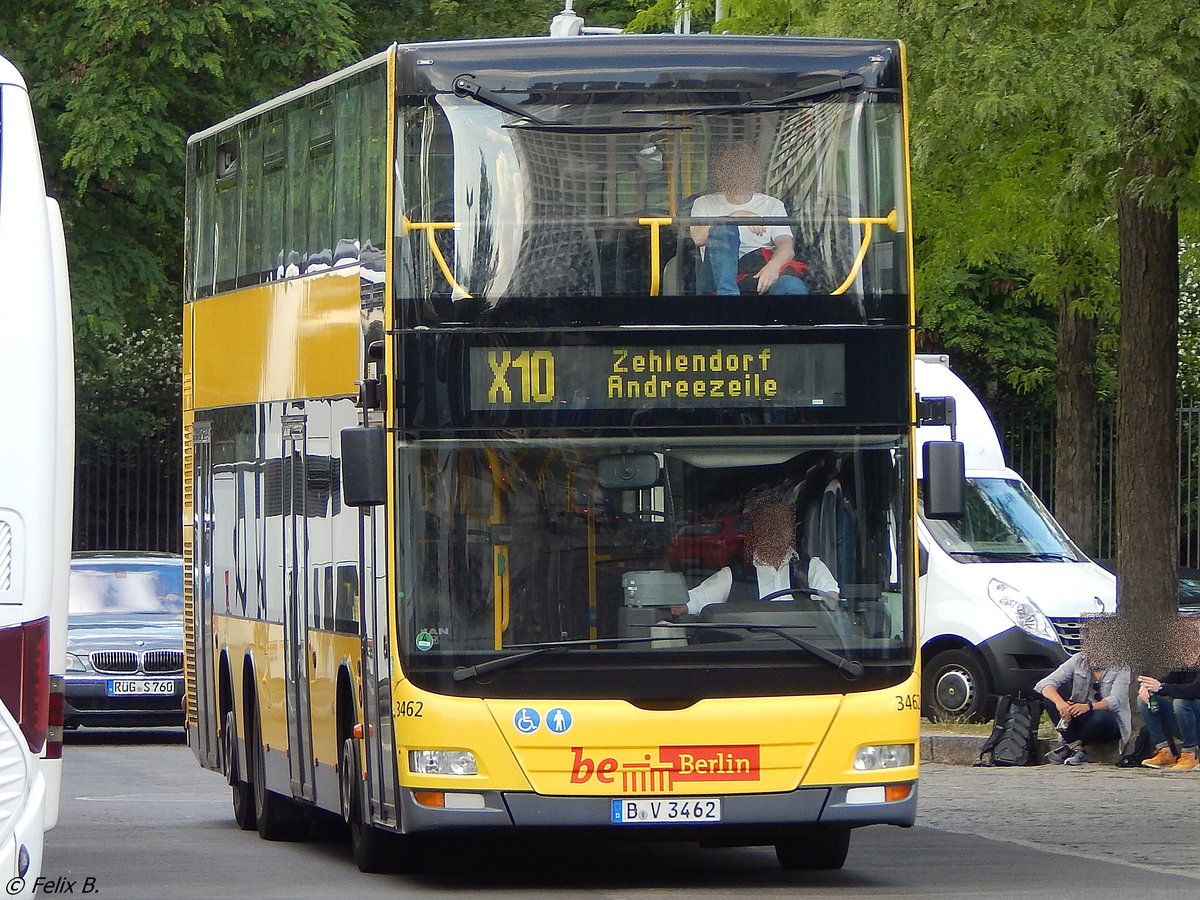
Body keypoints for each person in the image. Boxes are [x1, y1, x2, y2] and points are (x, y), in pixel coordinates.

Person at [673, 494, 838, 616]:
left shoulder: (811, 568)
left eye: (782, 522)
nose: (776, 529)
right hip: (752, 657)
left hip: (807, 656)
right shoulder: (733, 575)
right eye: (768, 523)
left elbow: (831, 603)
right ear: (756, 530)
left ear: (791, 529)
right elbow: (694, 600)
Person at [689, 143, 808, 297]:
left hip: (758, 271)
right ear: (719, 173)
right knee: (724, 227)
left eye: (744, 167)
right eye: (732, 167)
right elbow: (698, 238)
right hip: (714, 278)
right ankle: (729, 298)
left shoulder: (772, 205)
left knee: (792, 286)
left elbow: (786, 246)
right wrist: (735, 217)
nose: (738, 173)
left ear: (754, 172)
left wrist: (773, 266)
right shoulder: (704, 203)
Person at [1035, 647, 1131, 766]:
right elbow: (1044, 684)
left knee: (1100, 718)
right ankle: (1077, 748)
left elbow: (1116, 700)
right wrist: (1062, 704)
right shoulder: (1078, 659)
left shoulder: (1122, 666)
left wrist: (1088, 707)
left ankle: (1070, 744)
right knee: (1050, 701)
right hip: (1081, 715)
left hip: (1109, 719)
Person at [1136, 627, 1200, 772]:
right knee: (1145, 699)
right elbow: (1168, 680)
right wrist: (1147, 686)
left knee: (1181, 702)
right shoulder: (1184, 664)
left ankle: (1191, 753)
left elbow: (1195, 690)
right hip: (1187, 722)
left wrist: (1161, 687)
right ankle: (1165, 752)